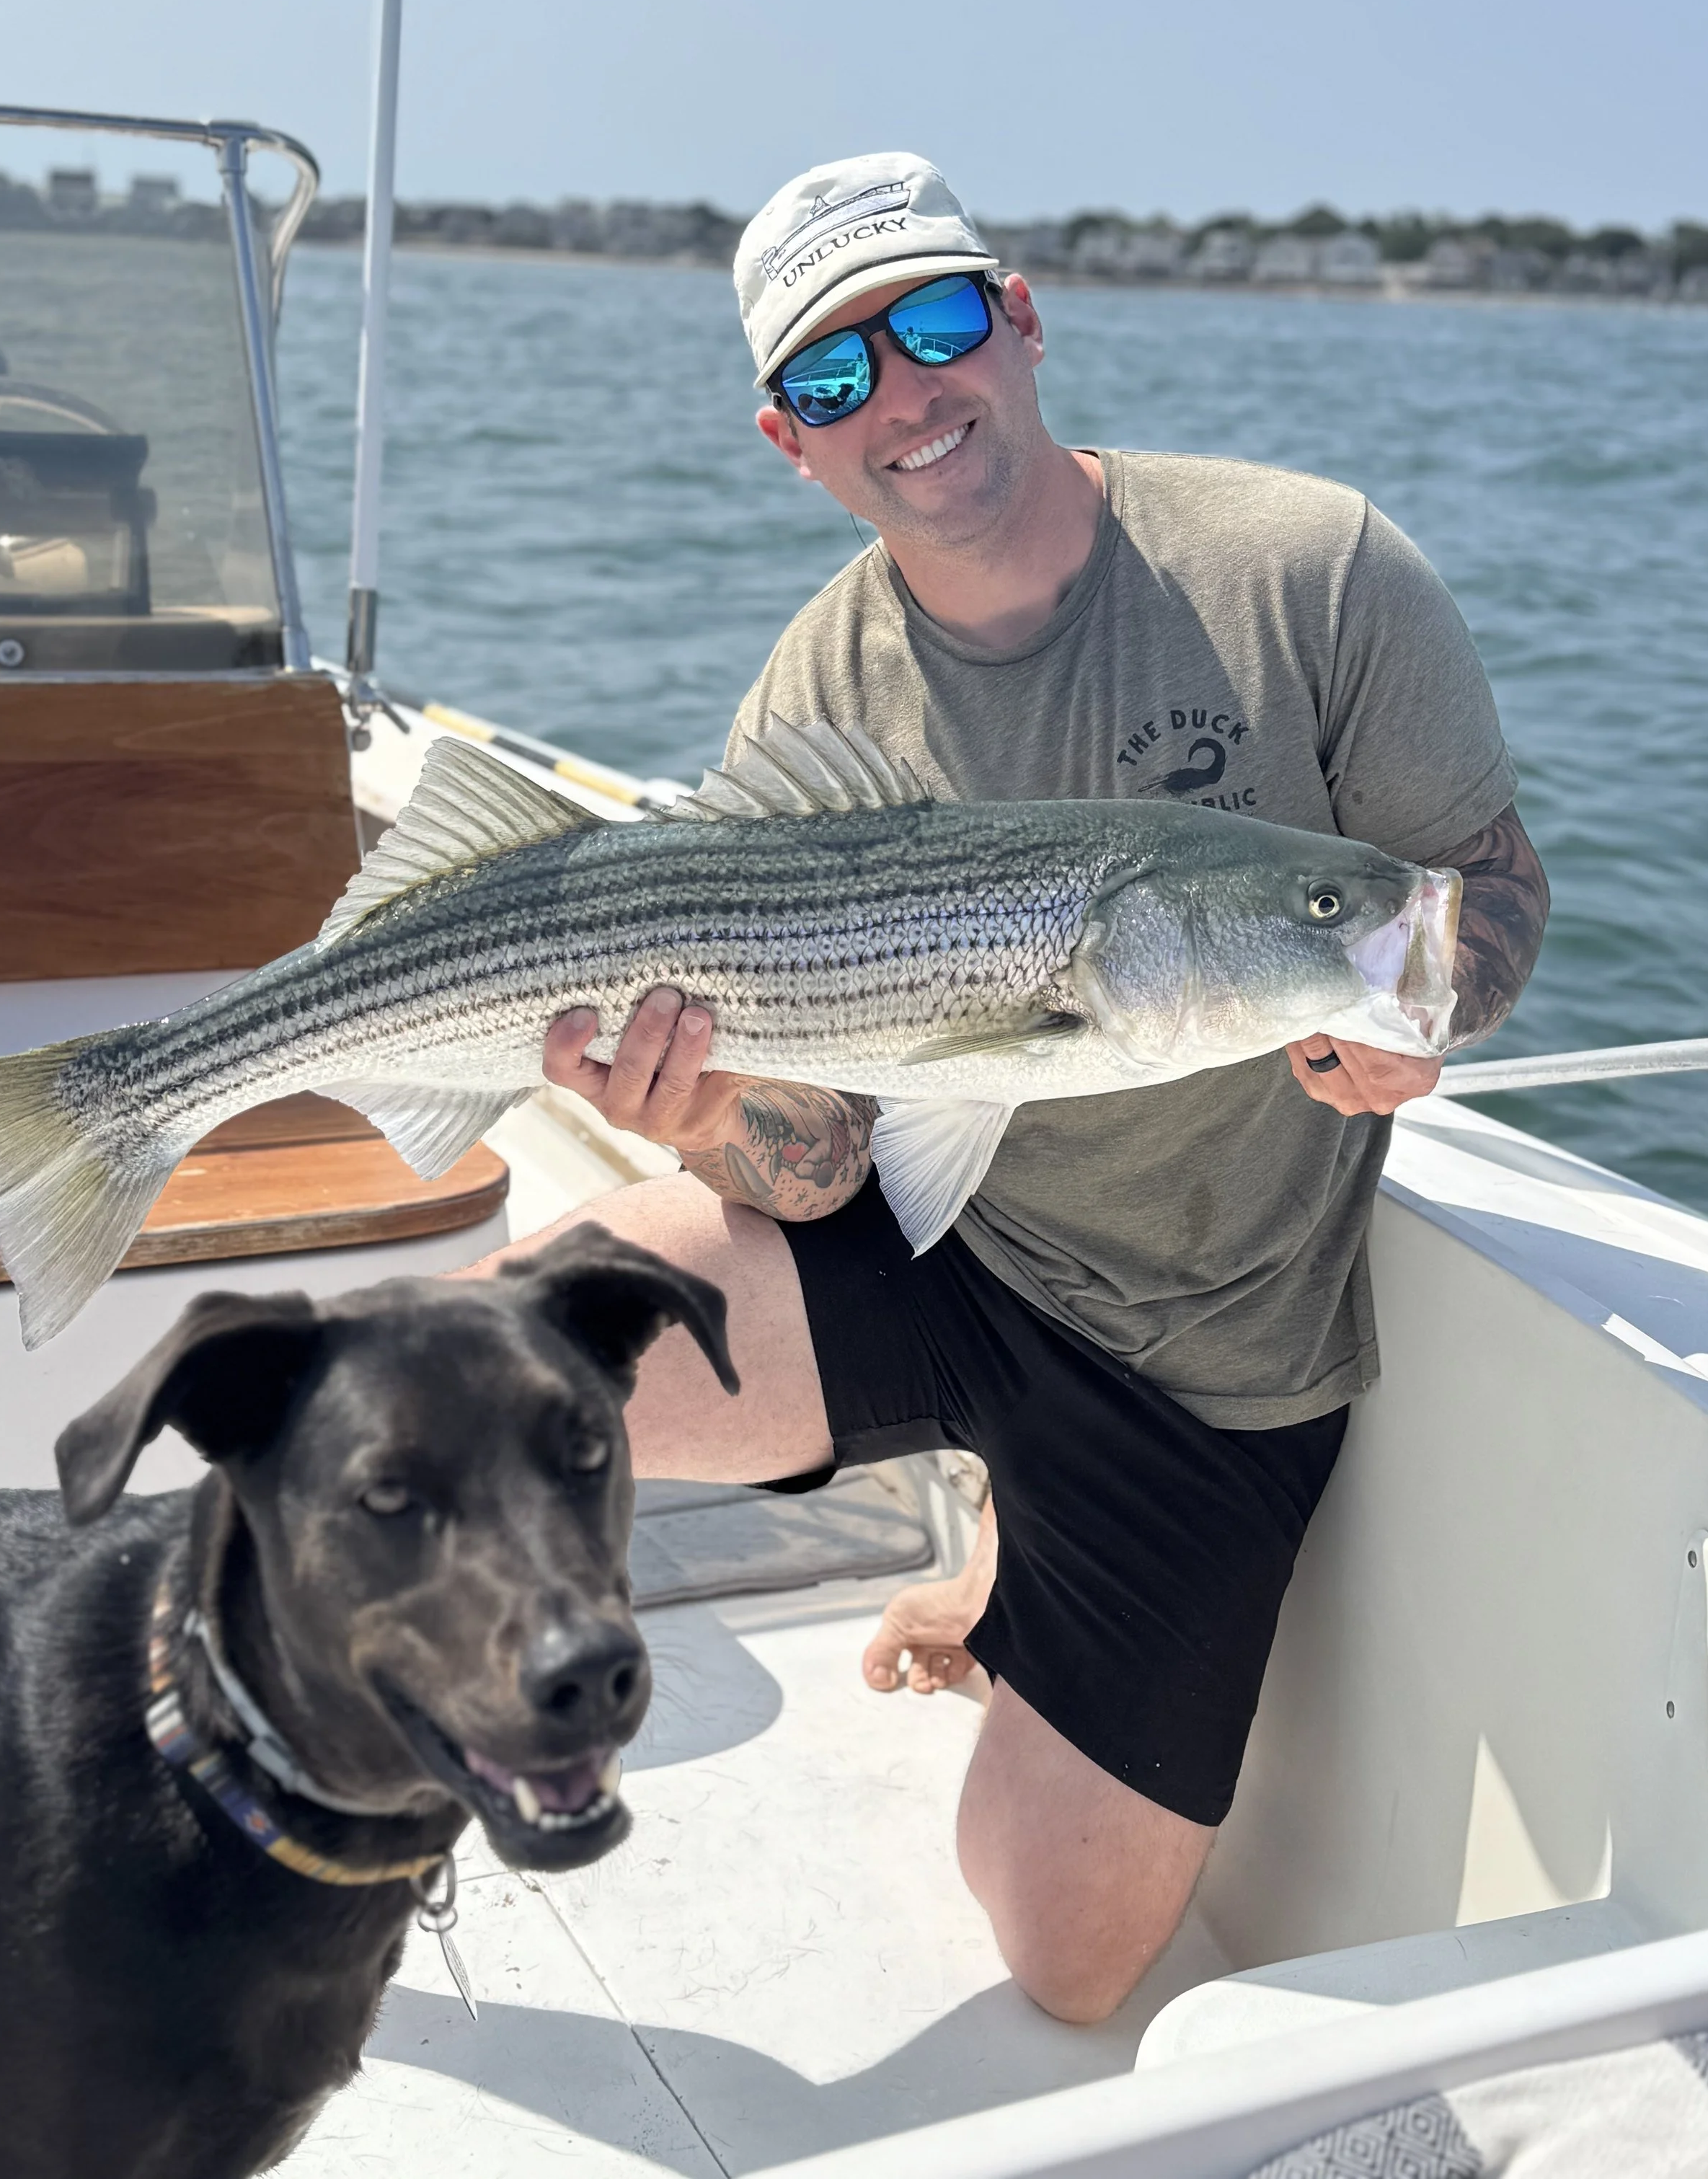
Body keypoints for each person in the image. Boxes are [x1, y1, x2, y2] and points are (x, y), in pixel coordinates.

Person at [472, 153, 1549, 2023]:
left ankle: (1018, 1557)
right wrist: (696, 1113)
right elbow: (821, 1165)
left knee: (1063, 1959)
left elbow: (1474, 891)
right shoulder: (819, 685)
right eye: (834, 375)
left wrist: (1424, 1011)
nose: (903, 392)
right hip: (943, 1246)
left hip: (1209, 1355)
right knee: (484, 1372)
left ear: (1021, 316)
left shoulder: (1307, 569)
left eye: (936, 321)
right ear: (789, 441)